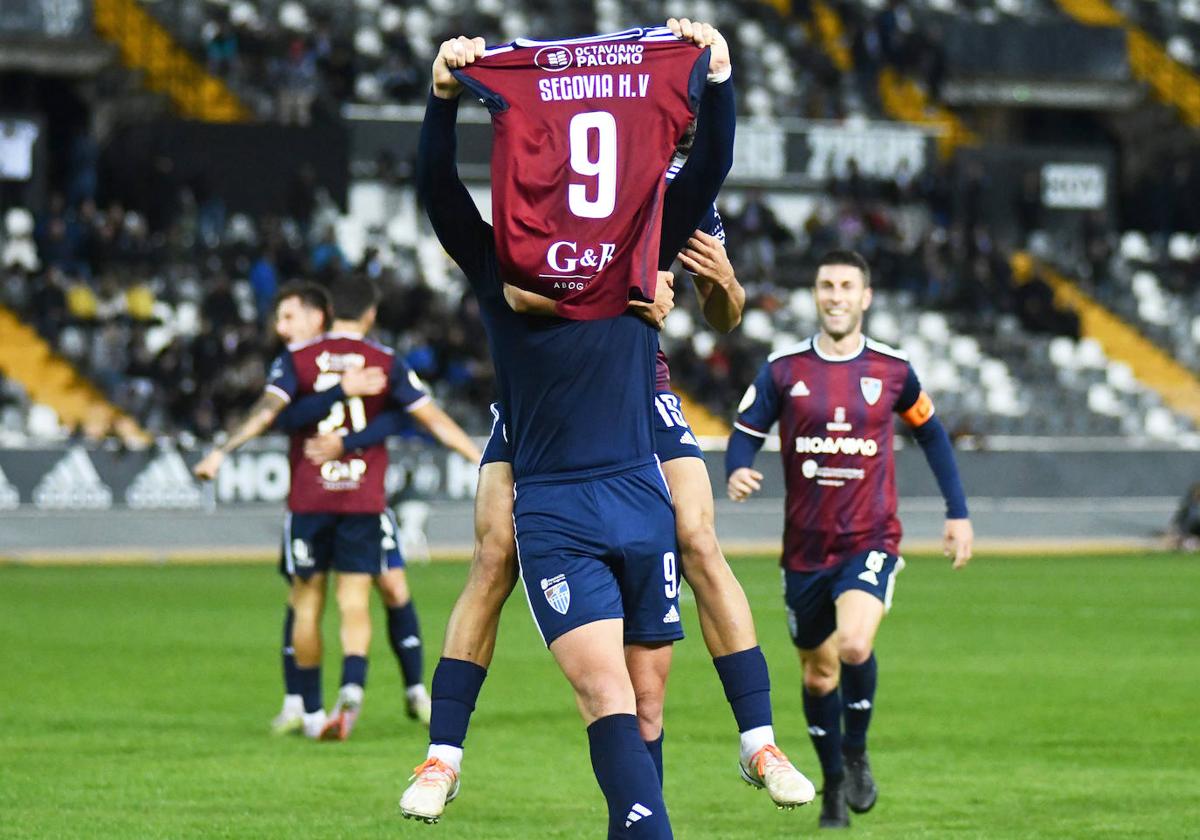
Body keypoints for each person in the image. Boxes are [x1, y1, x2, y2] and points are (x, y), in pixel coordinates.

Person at [401, 24, 762, 837]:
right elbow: (437, 192)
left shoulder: (640, 246)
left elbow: (708, 171)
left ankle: (751, 742)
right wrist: (442, 100)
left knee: (648, 696)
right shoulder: (502, 262)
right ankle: (445, 755)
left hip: (635, 484)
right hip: (553, 492)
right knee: (603, 687)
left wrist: (722, 77)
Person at [725, 249, 974, 829]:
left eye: (846, 286)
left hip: (871, 538)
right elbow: (744, 433)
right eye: (826, 285)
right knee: (817, 673)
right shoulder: (784, 369)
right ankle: (834, 780)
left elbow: (933, 437)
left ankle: (856, 749)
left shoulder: (892, 370)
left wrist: (957, 511)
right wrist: (737, 468)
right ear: (817, 294)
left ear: (865, 297)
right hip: (805, 550)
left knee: (854, 645)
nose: (836, 295)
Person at [193, 280, 480, 737]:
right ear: (369, 314)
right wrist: (484, 463)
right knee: (355, 601)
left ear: (324, 313)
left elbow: (269, 412)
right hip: (361, 500)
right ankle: (353, 690)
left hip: (310, 500)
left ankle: (309, 714)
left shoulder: (298, 361)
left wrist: (221, 451)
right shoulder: (384, 361)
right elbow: (434, 420)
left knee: (305, 605)